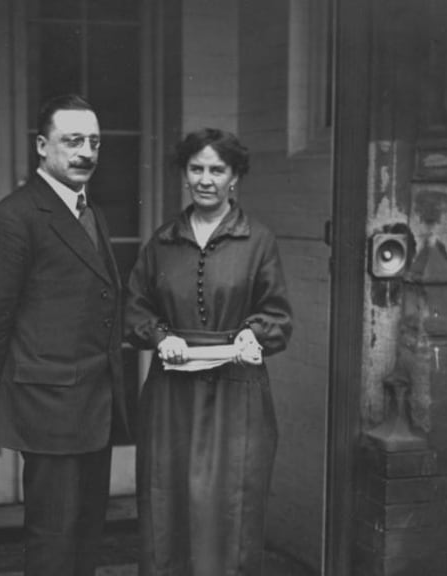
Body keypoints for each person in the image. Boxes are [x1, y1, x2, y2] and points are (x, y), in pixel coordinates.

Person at [0, 94, 130, 576]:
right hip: (47, 406)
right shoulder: (13, 218)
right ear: (41, 146)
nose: (86, 152)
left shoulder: (90, 212)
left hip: (94, 402)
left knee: (86, 532)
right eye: (72, 141)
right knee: (53, 538)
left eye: (94, 142)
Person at [125, 128, 293, 575]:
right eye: (196, 168)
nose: (205, 179)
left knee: (231, 505)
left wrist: (253, 335)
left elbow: (277, 315)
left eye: (217, 170)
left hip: (236, 393)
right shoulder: (162, 242)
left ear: (234, 177)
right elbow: (135, 307)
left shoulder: (258, 241)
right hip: (172, 395)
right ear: (184, 173)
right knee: (168, 501)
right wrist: (161, 336)